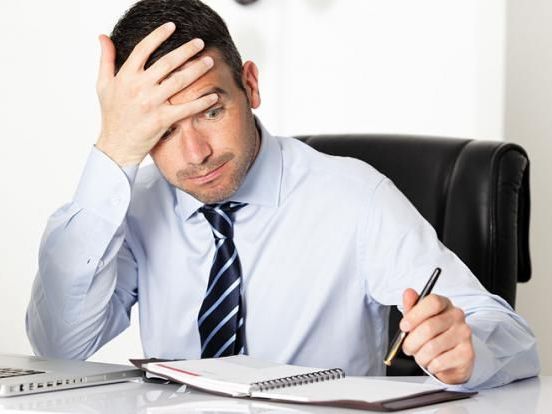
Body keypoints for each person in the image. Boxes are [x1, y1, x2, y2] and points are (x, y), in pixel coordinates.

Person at [26, 0, 539, 390]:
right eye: (161, 130)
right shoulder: (131, 207)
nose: (196, 153)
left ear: (250, 85)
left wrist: (468, 349)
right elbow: (59, 345)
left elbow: (513, 339)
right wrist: (113, 151)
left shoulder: (355, 197)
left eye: (210, 111)